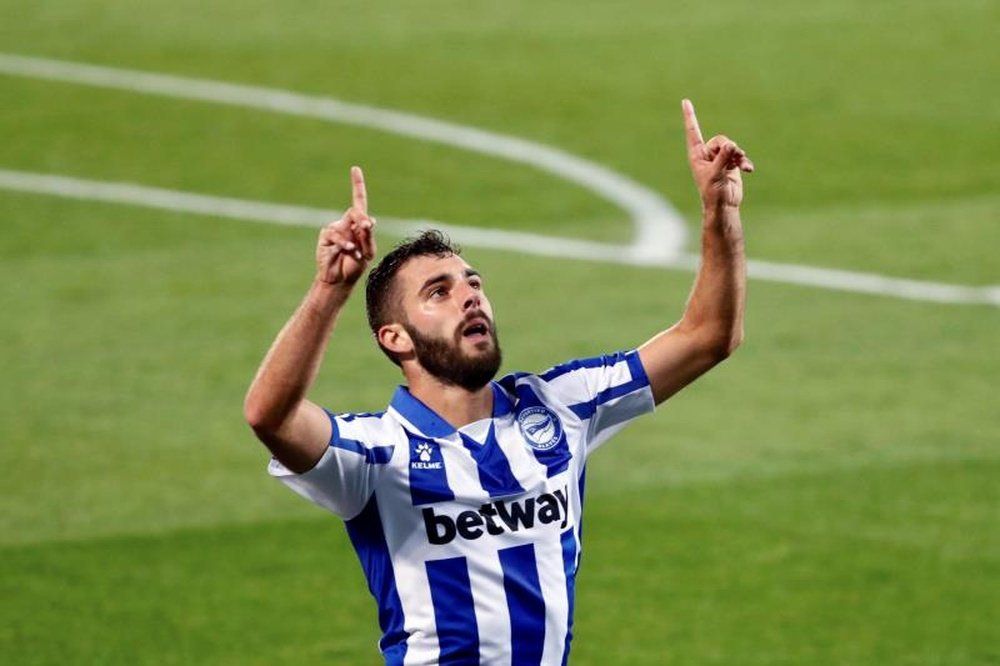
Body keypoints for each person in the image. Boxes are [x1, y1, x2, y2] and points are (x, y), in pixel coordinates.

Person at [243, 99, 752, 665]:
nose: (469, 296)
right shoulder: (374, 454)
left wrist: (719, 213)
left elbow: (708, 336)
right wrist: (329, 291)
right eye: (438, 292)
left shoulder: (561, 405)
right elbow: (270, 414)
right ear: (396, 338)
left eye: (473, 282)